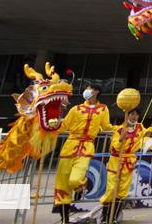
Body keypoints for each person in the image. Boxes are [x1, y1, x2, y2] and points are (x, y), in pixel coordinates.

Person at [54, 81, 115, 223]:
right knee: (62, 185)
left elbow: (106, 126)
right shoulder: (76, 109)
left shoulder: (103, 109)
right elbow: (64, 125)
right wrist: (52, 123)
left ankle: (81, 185)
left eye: (89, 88)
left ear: (96, 91)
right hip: (69, 147)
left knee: (75, 180)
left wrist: (122, 129)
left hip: (86, 147)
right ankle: (64, 219)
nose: (86, 90)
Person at [99, 108, 152, 224]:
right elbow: (114, 148)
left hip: (128, 162)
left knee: (123, 191)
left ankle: (113, 218)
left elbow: (147, 132)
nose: (134, 117)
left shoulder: (139, 127)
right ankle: (105, 218)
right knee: (111, 189)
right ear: (127, 115)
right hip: (116, 162)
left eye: (136, 115)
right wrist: (120, 140)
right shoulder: (119, 129)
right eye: (132, 114)